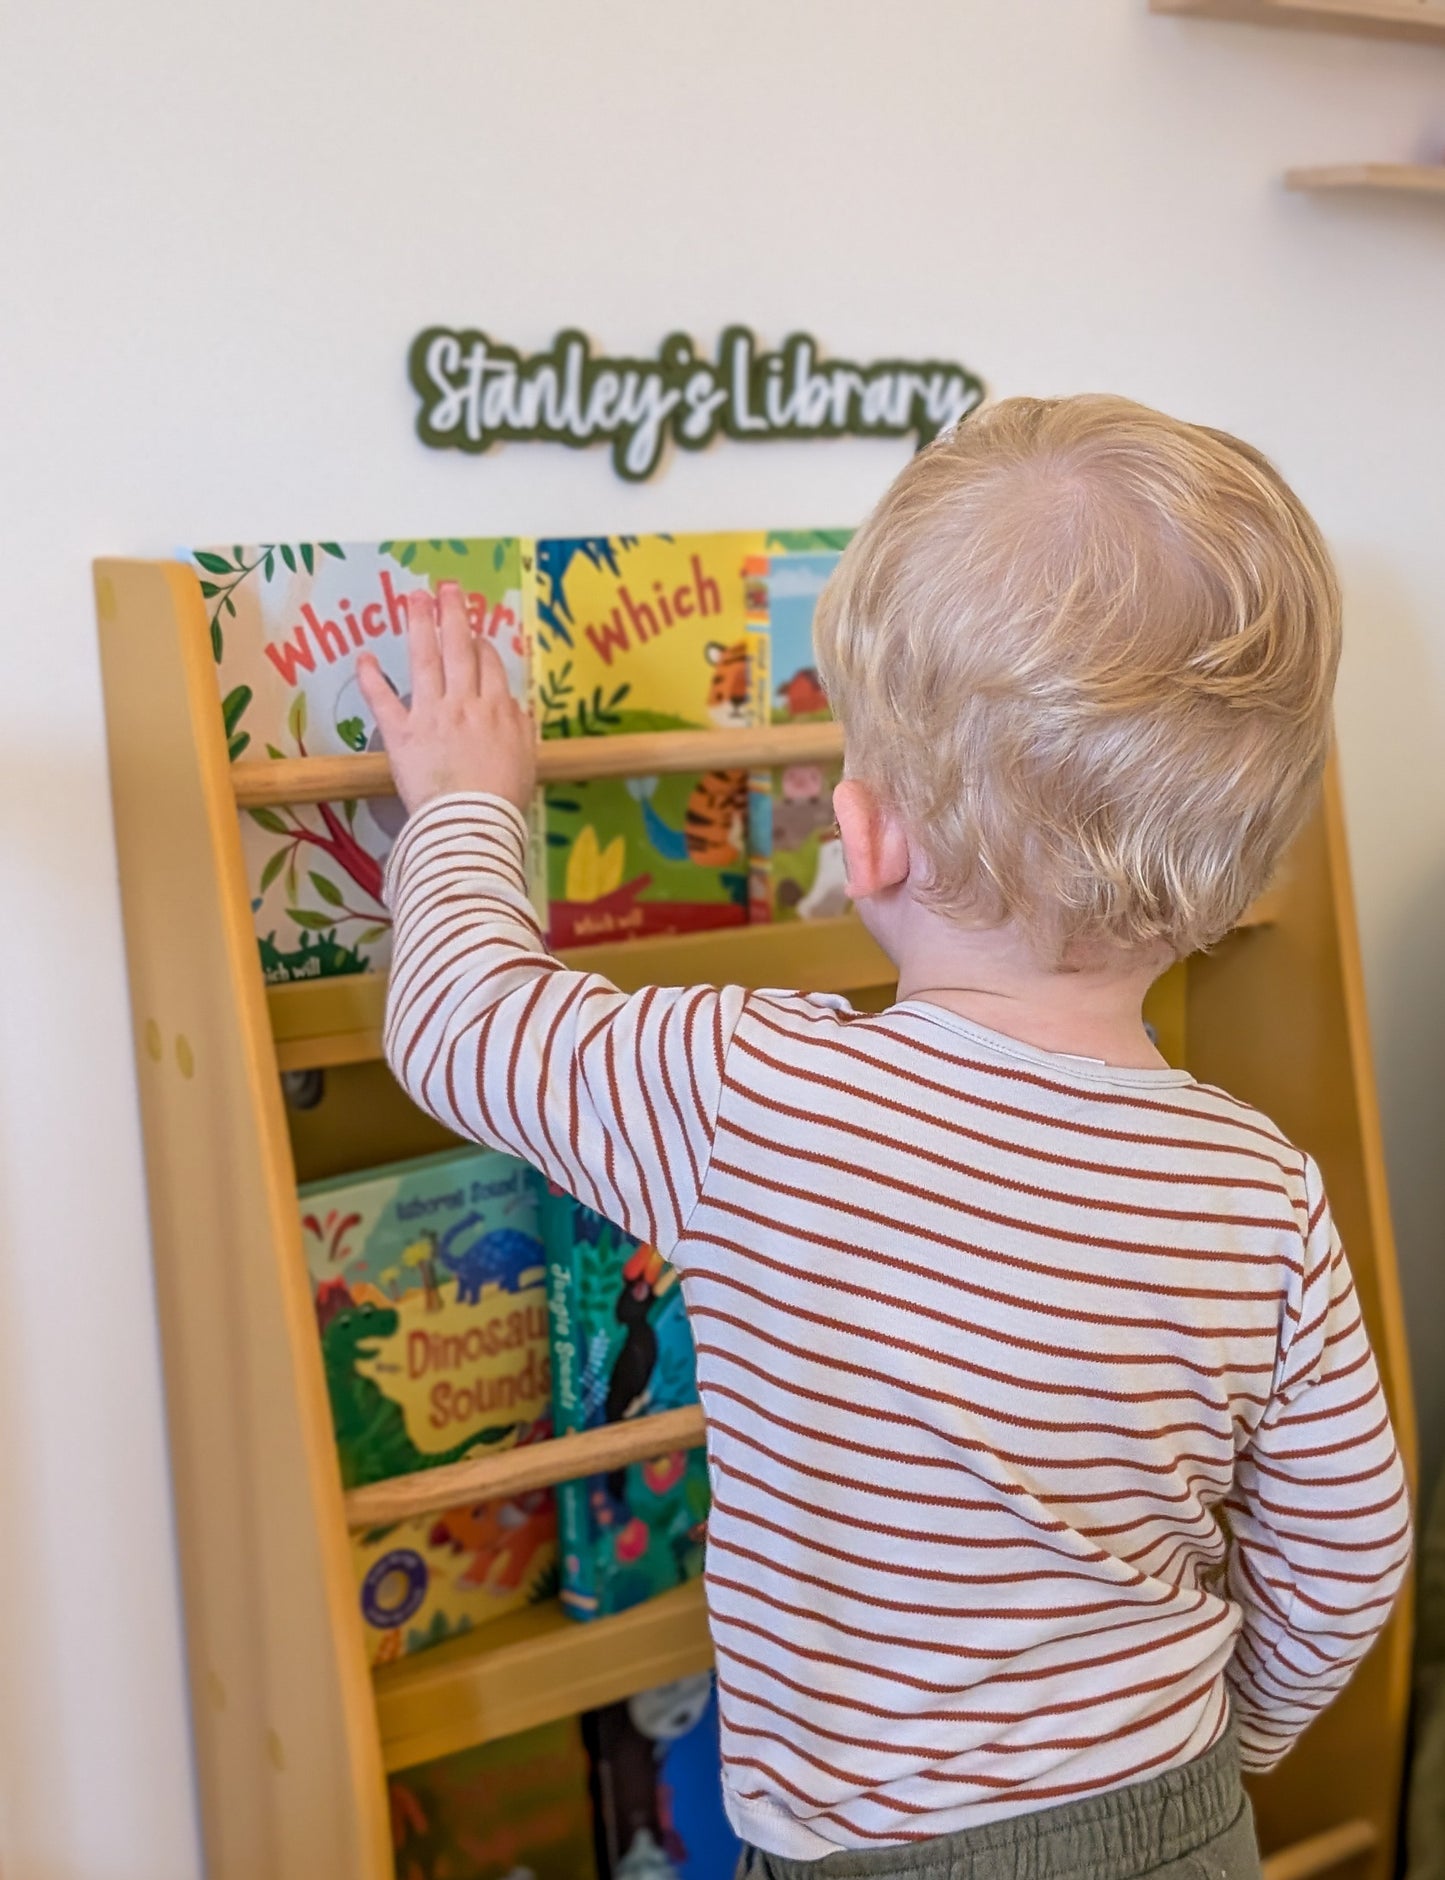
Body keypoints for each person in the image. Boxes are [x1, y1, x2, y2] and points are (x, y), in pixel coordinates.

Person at [359, 396, 1410, 1880]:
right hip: (1175, 1820)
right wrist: (1206, 1758)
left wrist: (467, 802)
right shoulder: (1260, 1192)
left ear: (866, 838)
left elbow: (461, 1018)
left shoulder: (751, 1095)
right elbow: (1348, 1555)